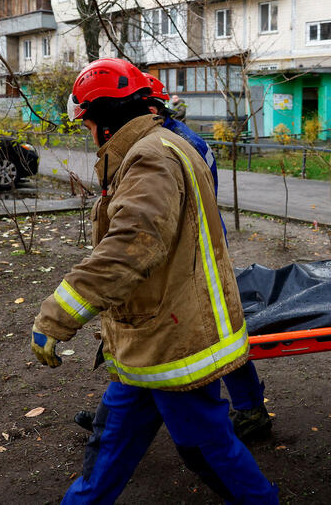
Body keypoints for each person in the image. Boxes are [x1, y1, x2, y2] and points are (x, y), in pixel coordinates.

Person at [31, 58, 277, 503]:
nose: (87, 132)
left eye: (87, 122)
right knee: (109, 447)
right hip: (149, 336)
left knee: (207, 449)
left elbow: (131, 244)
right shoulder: (160, 145)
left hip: (173, 341)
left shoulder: (150, 157)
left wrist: (57, 316)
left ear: (104, 120)